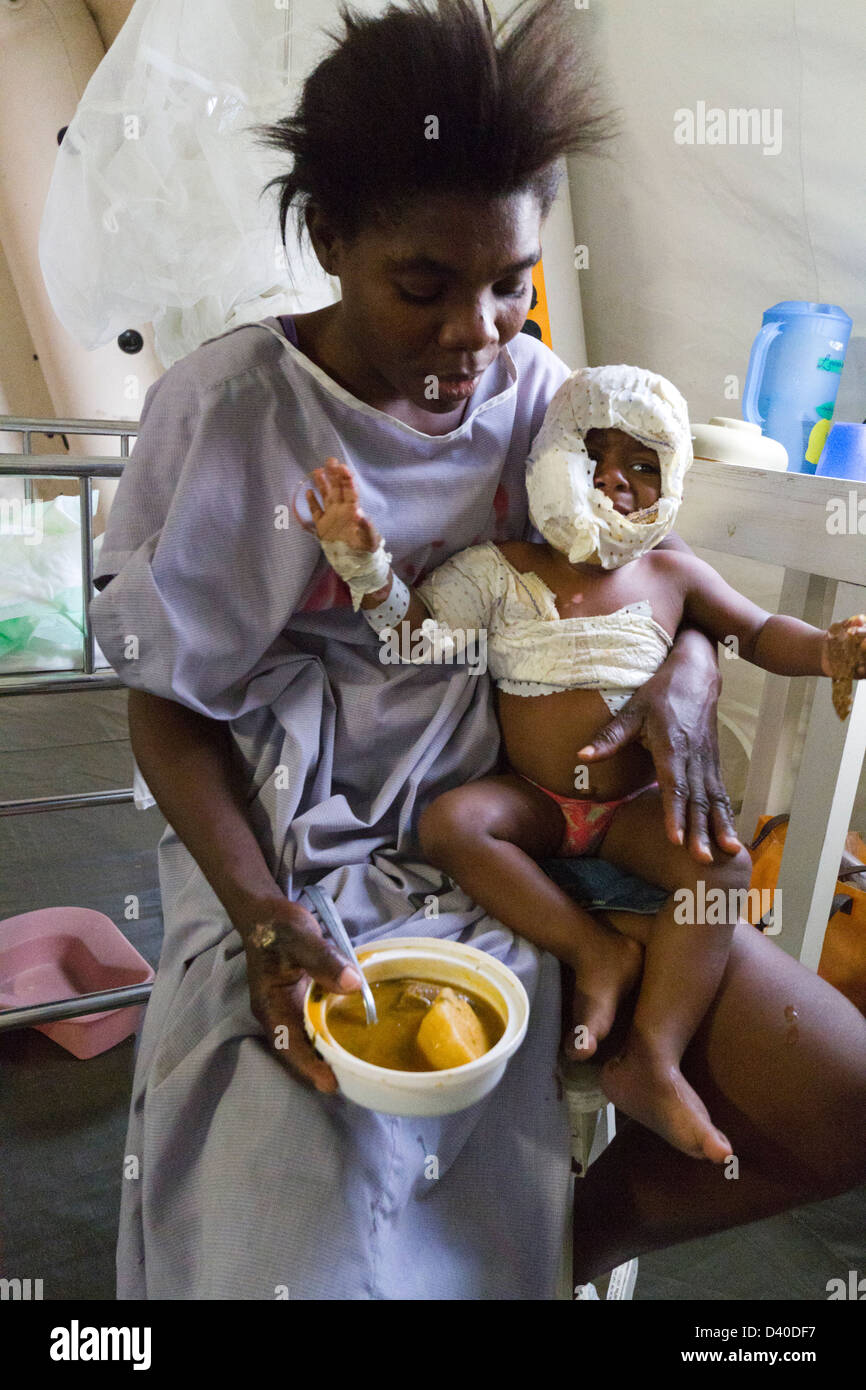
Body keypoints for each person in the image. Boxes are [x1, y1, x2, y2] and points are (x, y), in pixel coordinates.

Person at [90, 0, 866, 1300]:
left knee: (841, 1098)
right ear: (330, 240)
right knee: (310, 1236)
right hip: (301, 853)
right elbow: (170, 712)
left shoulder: (532, 396)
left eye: (512, 283)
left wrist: (682, 672)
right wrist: (267, 917)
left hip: (537, 831)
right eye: (424, 285)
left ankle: (565, 1249)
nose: (477, 331)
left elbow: (633, 573)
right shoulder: (230, 420)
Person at [306, 365, 866, 1166]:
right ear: (551, 459)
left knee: (723, 870)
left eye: (644, 464)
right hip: (535, 800)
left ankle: (654, 1056)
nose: (617, 479)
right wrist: (366, 568)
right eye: (595, 455)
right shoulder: (501, 568)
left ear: (670, 481)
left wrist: (829, 652)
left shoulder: (674, 576)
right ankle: (592, 949)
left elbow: (761, 631)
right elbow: (415, 636)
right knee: (452, 823)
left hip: (630, 810)